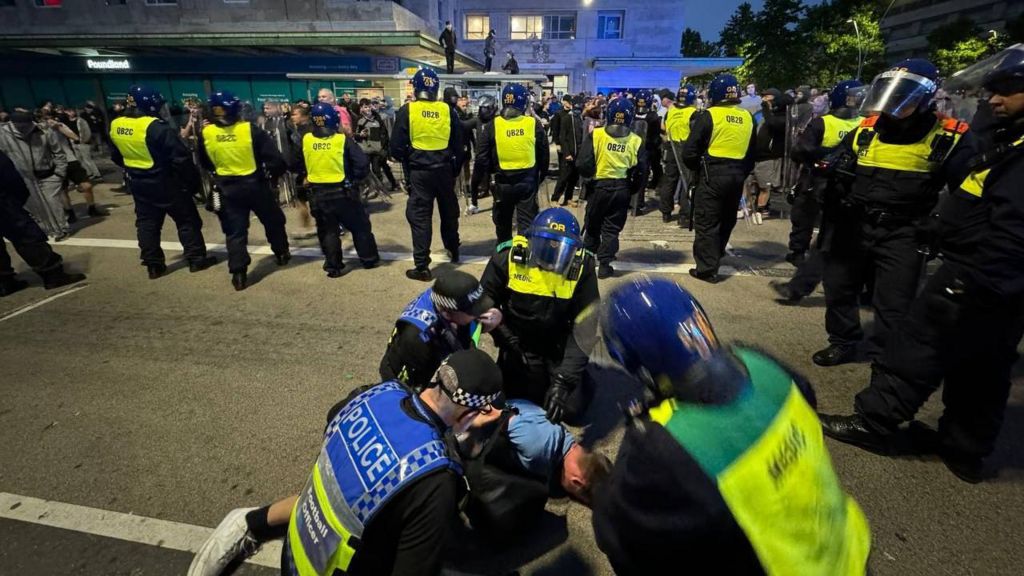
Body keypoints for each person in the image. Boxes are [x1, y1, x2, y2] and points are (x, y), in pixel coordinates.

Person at [819, 45, 1024, 484]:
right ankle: (963, 449)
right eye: (992, 90)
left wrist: (971, 275)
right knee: (983, 366)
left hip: (965, 266)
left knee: (914, 340)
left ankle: (875, 421)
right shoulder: (869, 130)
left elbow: (1009, 227)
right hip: (879, 234)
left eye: (1007, 90)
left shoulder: (953, 138)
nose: (993, 99)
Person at [590, 275, 872, 574]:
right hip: (850, 551)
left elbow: (621, 530)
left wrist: (602, 487)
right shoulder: (762, 364)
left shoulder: (665, 444)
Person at [189, 349, 504, 576]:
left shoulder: (375, 393)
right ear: (471, 415)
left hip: (295, 551)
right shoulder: (436, 479)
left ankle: (253, 522)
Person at [812, 59, 974, 367]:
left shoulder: (950, 136)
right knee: (839, 288)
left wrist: (941, 221)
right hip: (856, 222)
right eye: (890, 93)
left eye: (903, 95)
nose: (893, 103)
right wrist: (827, 174)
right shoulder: (868, 128)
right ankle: (843, 341)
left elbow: (967, 190)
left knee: (893, 303)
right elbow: (840, 160)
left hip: (905, 229)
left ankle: (883, 361)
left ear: (924, 97)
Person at [481, 208, 599, 425]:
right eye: (546, 247)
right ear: (530, 239)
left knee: (572, 410)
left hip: (558, 344)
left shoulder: (583, 266)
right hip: (519, 343)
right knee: (516, 403)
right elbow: (483, 301)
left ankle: (580, 378)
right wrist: (505, 338)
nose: (554, 257)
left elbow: (586, 326)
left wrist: (564, 381)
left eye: (563, 249)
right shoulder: (508, 256)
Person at [108, 86, 217, 279]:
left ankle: (153, 265)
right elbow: (180, 159)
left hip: (139, 183)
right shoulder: (156, 127)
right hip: (166, 182)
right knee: (187, 221)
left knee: (147, 224)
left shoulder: (116, 125)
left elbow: (116, 156)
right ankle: (196, 259)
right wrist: (192, 184)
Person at [462, 397, 612, 537]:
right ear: (577, 481)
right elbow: (496, 415)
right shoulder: (538, 447)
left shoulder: (567, 443)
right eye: (579, 498)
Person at [199, 90, 291, 291]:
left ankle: (239, 274)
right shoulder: (250, 130)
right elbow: (274, 159)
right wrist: (275, 175)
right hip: (255, 185)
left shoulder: (207, 133)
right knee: (273, 220)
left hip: (227, 188)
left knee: (235, 232)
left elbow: (205, 162)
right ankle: (281, 253)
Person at [389, 68, 464, 282]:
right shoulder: (448, 110)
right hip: (444, 171)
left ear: (415, 87)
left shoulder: (407, 110)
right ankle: (453, 249)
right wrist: (454, 169)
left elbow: (395, 147)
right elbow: (459, 146)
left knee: (420, 218)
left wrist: (408, 157)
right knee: (449, 213)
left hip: (419, 172)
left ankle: (422, 266)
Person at [683, 73, 757, 283]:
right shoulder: (748, 117)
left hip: (711, 174)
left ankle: (706, 268)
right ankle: (718, 252)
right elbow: (753, 152)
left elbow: (689, 152)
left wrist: (697, 169)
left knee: (707, 221)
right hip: (737, 175)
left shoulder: (709, 115)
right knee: (726, 218)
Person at [295, 103, 381, 277]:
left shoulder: (306, 140)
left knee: (328, 231)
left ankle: (333, 266)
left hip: (318, 194)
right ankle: (369, 259)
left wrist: (307, 174)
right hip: (344, 193)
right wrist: (354, 179)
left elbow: (293, 162)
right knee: (360, 227)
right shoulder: (342, 140)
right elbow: (362, 164)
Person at [380, 270, 502, 391]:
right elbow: (422, 390)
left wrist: (487, 323)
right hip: (407, 380)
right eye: (473, 311)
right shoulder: (419, 338)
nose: (481, 312)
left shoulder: (444, 295)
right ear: (447, 314)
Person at [577, 97, 647, 279]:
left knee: (592, 225)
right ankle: (606, 265)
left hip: (599, 187)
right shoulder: (635, 141)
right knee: (611, 228)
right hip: (621, 188)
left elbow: (583, 163)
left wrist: (590, 178)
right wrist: (632, 189)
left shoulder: (597, 135)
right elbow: (641, 171)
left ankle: (588, 260)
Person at [0, 149, 85, 296]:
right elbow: (9, 176)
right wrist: (18, 199)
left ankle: (4, 281)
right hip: (3, 202)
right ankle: (52, 273)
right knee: (25, 235)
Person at [474, 83, 548, 244]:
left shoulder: (493, 125)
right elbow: (544, 154)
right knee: (526, 223)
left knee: (503, 223)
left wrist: (486, 179)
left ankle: (504, 255)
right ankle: (522, 256)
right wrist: (539, 177)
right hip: (527, 181)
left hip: (502, 182)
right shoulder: (532, 124)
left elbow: (481, 156)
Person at [0, 108, 69, 241]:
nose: (24, 128)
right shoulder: (4, 135)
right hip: (23, 177)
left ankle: (61, 228)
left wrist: (59, 173)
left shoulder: (43, 131)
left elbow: (58, 152)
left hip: (48, 174)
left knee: (52, 202)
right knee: (34, 206)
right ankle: (45, 229)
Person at [749, 88, 792, 224]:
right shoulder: (762, 114)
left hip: (768, 157)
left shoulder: (782, 117)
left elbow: (772, 124)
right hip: (755, 155)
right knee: (751, 183)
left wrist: (766, 109)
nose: (764, 100)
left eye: (767, 97)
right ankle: (752, 206)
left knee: (764, 186)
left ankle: (761, 210)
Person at [657, 85, 697, 225]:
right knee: (688, 181)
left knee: (669, 180)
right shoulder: (694, 113)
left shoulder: (670, 112)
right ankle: (684, 215)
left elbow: (663, 130)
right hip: (687, 149)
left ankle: (665, 212)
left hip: (671, 147)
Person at [354, 98, 399, 192]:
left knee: (378, 168)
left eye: (369, 106)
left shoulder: (378, 118)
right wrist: (360, 135)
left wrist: (384, 147)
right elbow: (354, 135)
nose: (368, 109)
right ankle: (371, 187)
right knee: (367, 169)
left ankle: (386, 186)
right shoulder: (358, 120)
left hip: (378, 150)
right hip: (365, 150)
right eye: (365, 107)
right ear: (361, 108)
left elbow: (384, 134)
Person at [551, 95, 584, 207]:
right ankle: (555, 198)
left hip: (577, 152)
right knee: (564, 176)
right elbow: (561, 135)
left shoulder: (579, 118)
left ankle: (568, 198)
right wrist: (565, 151)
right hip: (568, 151)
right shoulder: (563, 117)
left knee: (573, 177)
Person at [467, 95, 497, 214]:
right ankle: (474, 204)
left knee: (494, 184)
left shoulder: (497, 120)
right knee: (474, 182)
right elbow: (464, 125)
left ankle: (496, 206)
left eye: (485, 108)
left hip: (493, 158)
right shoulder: (477, 121)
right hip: (480, 158)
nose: (482, 111)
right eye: (481, 108)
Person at [633, 89, 663, 198]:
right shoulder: (653, 116)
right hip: (641, 149)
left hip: (642, 149)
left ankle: (638, 201)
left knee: (641, 175)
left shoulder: (651, 116)